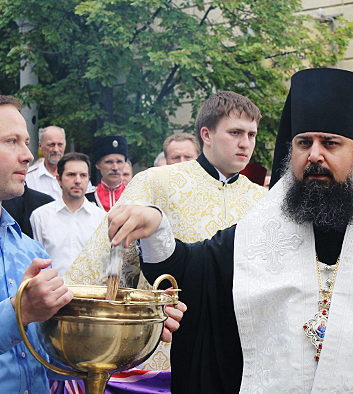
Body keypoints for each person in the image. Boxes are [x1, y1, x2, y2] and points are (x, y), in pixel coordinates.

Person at [105, 69, 353, 393]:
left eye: (330, 143)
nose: (314, 155)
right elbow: (191, 274)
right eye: (304, 143)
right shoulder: (263, 225)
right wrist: (156, 228)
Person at [0, 93, 183, 394]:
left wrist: (136, 327)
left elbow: (49, 359)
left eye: (26, 142)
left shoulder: (28, 249)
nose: (28, 156)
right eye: (11, 141)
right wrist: (17, 313)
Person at [65, 91, 267, 393]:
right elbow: (106, 261)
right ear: (206, 134)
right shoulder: (156, 182)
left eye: (251, 134)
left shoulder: (262, 200)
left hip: (235, 358)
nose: (245, 143)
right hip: (160, 353)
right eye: (235, 132)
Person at [30, 153, 106, 276]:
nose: (77, 181)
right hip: (52, 287)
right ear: (59, 179)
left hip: (90, 288)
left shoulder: (101, 218)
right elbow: (36, 259)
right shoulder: (40, 216)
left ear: (88, 179)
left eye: (83, 175)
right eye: (71, 175)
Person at [86, 135, 128, 213]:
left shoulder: (135, 196)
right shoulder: (87, 198)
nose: (115, 168)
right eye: (109, 162)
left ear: (125, 164)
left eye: (119, 162)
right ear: (98, 165)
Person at [26, 126, 67, 199]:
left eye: (60, 144)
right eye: (51, 145)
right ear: (40, 146)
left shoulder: (77, 176)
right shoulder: (29, 177)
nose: (56, 149)